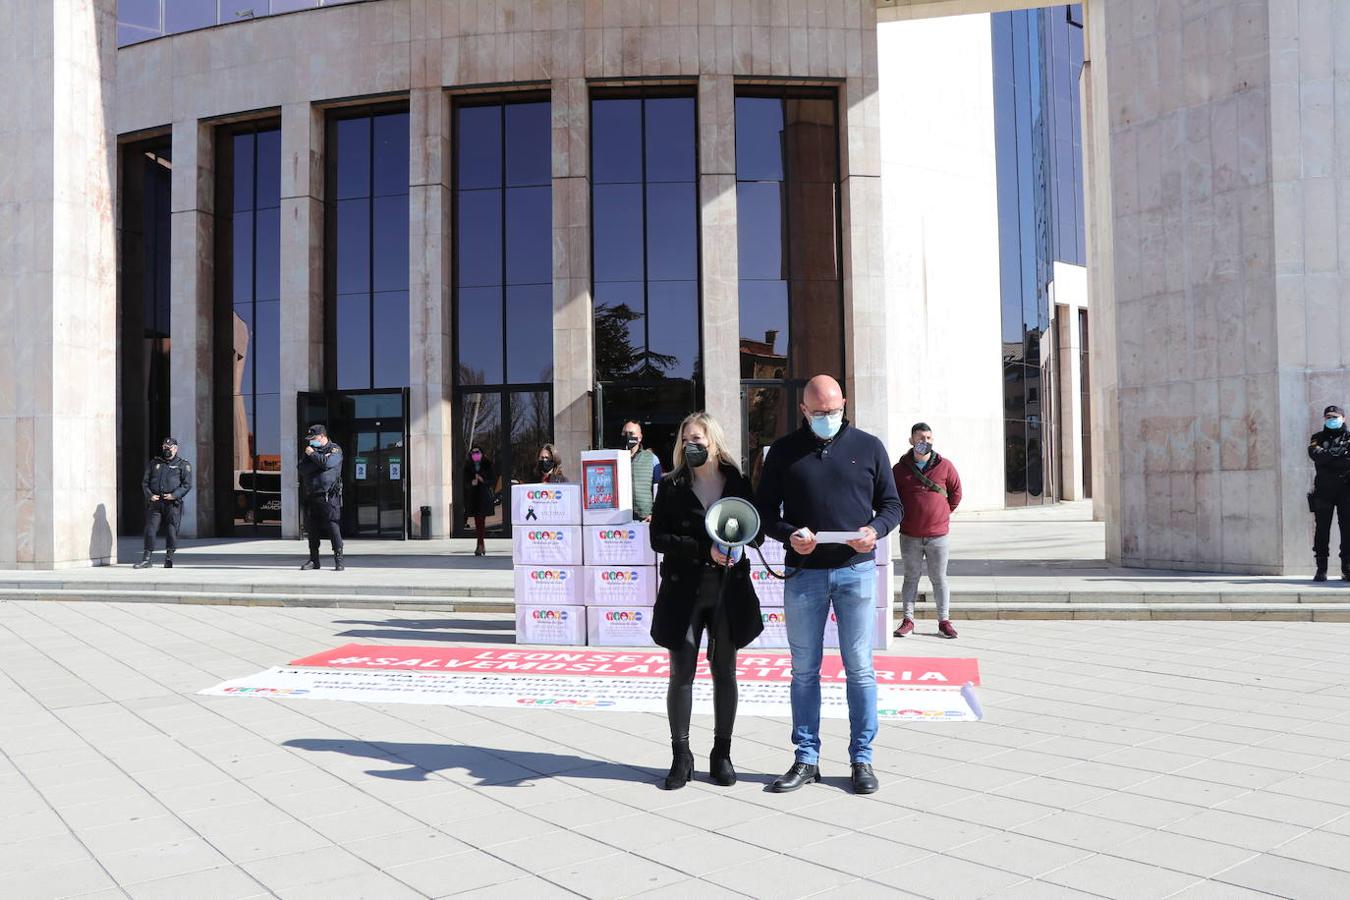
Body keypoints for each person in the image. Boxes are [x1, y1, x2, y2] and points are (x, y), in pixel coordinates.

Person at [756, 375, 902, 796]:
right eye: (819, 413)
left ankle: (862, 759)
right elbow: (764, 511)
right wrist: (788, 534)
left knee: (860, 669)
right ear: (803, 410)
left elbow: (893, 505)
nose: (828, 418)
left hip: (855, 571)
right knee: (804, 671)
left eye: (834, 411)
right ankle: (806, 758)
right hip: (804, 575)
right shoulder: (783, 452)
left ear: (845, 404)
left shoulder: (869, 446)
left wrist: (874, 530)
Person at [649, 411, 763, 790]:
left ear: (713, 440)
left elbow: (756, 531)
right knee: (681, 674)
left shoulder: (737, 482)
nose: (691, 445)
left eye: (697, 439)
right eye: (685, 440)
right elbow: (658, 539)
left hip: (727, 591)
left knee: (725, 673)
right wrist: (704, 549)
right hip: (684, 591)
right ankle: (681, 755)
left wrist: (739, 544)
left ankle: (721, 753)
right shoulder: (671, 485)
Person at [892, 422, 963, 638]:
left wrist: (940, 514)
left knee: (939, 578)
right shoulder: (899, 469)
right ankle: (908, 620)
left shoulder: (945, 466)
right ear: (911, 440)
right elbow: (891, 498)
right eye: (921, 438)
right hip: (910, 535)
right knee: (910, 577)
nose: (925, 442)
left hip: (938, 535)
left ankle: (944, 621)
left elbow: (956, 493)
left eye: (929, 438)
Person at [133, 437, 192, 569]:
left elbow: (187, 485)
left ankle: (169, 558)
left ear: (175, 449)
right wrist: (150, 495)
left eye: (169, 448)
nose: (166, 450)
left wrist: (174, 495)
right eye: (164, 447)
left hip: (172, 504)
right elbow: (145, 482)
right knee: (150, 530)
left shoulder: (183, 464)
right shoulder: (155, 463)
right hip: (156, 503)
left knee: (171, 531)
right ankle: (146, 559)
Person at [1308, 405, 1350, 581]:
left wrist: (1328, 457)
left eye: (1335, 416)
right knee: (1322, 530)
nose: (1332, 419)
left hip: (1346, 489)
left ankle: (1347, 568)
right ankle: (1321, 568)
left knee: (1347, 529)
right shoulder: (1317, 438)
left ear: (1343, 418)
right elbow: (1316, 455)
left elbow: (1345, 460)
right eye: (1328, 417)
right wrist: (1337, 454)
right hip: (1324, 490)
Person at [298, 424, 344, 571]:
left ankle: (339, 560)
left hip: (329, 496)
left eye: (313, 438)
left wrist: (313, 456)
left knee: (333, 527)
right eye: (310, 439)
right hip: (312, 496)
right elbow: (302, 469)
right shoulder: (311, 451)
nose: (311, 441)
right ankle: (314, 560)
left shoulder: (334, 449)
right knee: (313, 530)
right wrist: (320, 460)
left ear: (322, 436)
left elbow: (329, 463)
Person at [622, 420, 663, 522]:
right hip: (618, 517)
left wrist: (654, 513)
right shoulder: (614, 457)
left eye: (631, 433)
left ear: (640, 437)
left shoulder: (652, 459)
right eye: (624, 433)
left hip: (644, 517)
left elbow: (658, 487)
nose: (627, 436)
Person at [463, 445, 496, 556]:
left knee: (481, 520)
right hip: (474, 497)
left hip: (484, 496)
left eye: (477, 452)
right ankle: (481, 544)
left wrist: (483, 480)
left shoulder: (487, 465)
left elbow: (492, 480)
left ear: (481, 454)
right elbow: (465, 482)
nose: (475, 455)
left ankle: (480, 545)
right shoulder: (468, 467)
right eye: (473, 453)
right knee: (478, 521)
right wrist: (471, 483)